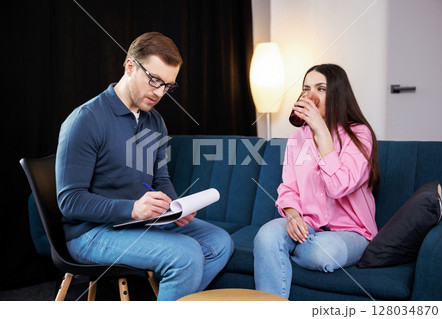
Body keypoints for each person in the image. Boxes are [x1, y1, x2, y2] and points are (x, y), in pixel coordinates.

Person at [56, 32, 234, 301]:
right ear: (130, 67)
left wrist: (176, 207)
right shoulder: (86, 119)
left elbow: (160, 178)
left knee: (220, 243)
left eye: (168, 86)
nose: (160, 92)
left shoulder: (155, 122)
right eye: (155, 80)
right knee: (185, 255)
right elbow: (70, 201)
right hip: (90, 233)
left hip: (138, 222)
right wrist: (132, 208)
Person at [253, 64, 380, 299]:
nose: (311, 96)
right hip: (309, 224)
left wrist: (321, 132)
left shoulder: (359, 134)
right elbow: (288, 188)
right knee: (266, 236)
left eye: (320, 89)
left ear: (337, 94)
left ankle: (280, 252)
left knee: (321, 253)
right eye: (306, 89)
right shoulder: (297, 138)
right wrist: (292, 216)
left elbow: (339, 186)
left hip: (352, 231)